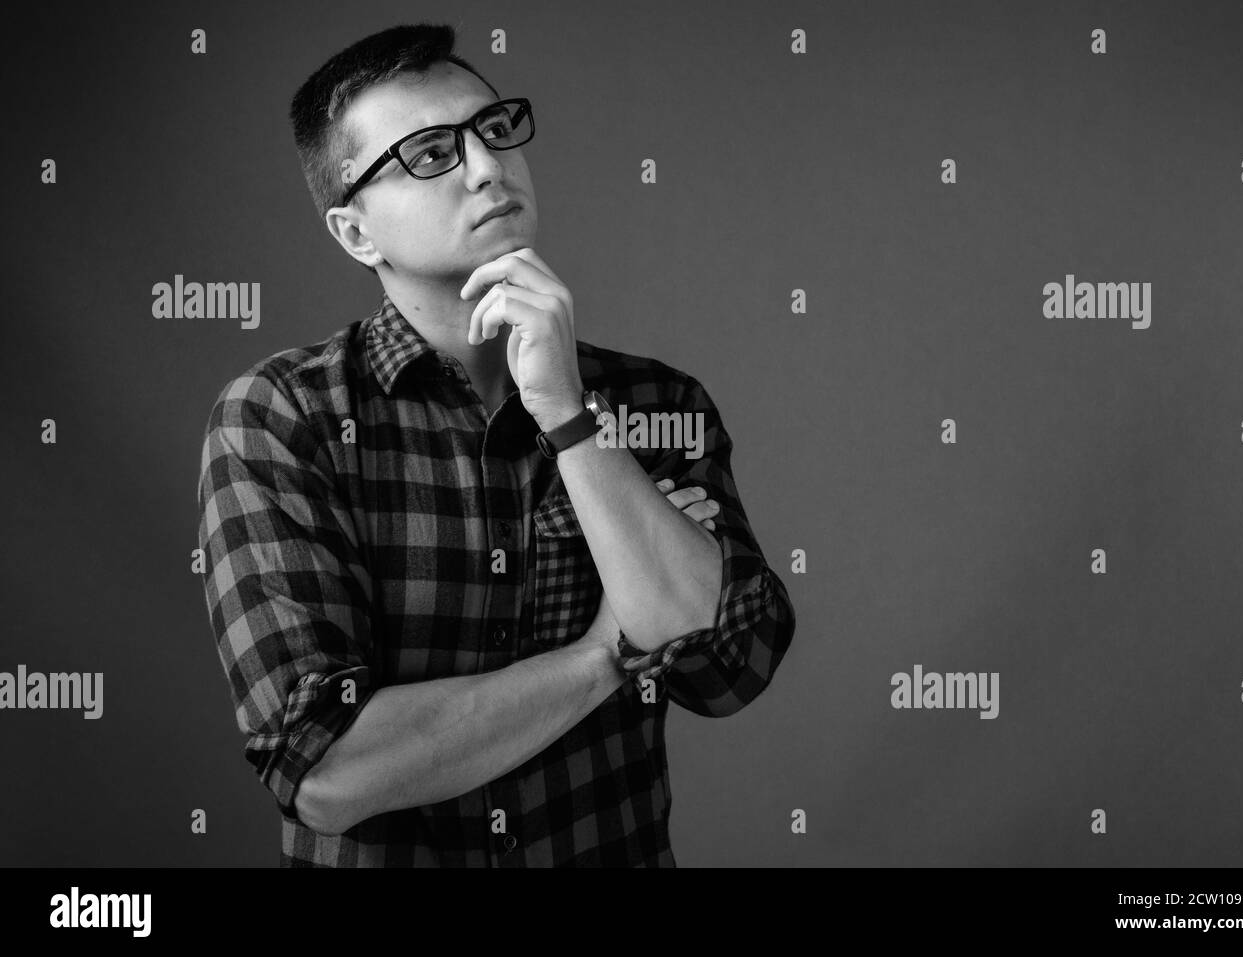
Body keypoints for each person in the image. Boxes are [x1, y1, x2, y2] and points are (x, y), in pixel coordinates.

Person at [195, 21, 795, 867]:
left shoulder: (654, 401)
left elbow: (730, 662)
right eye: (431, 154)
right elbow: (325, 765)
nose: (487, 166)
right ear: (356, 233)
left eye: (494, 129)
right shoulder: (280, 418)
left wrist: (564, 413)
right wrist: (603, 656)